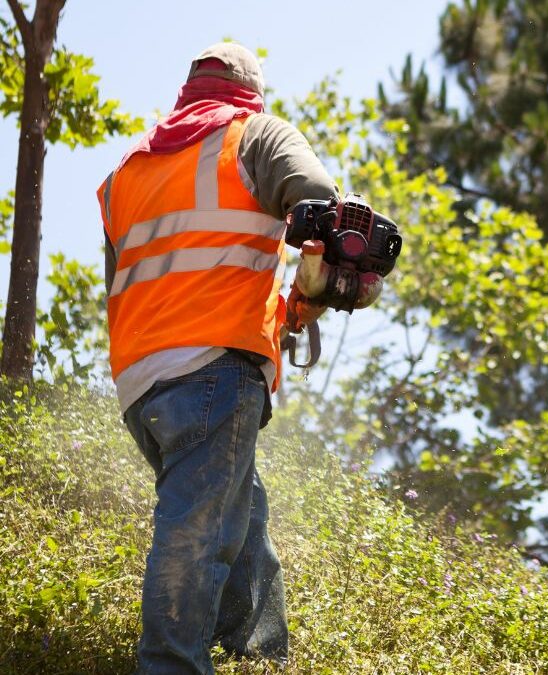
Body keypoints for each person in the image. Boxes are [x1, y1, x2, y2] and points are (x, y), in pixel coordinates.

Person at [97, 43, 374, 673]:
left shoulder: (123, 176)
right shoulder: (255, 135)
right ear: (249, 91)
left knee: (241, 522)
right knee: (196, 537)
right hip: (214, 371)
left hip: (142, 386)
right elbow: (318, 200)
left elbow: (164, 279)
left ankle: (260, 658)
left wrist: (291, 308)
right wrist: (328, 275)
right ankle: (170, 665)